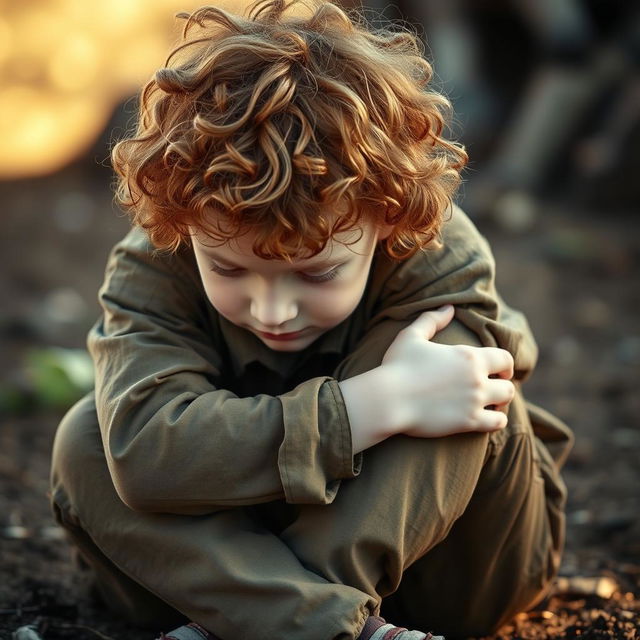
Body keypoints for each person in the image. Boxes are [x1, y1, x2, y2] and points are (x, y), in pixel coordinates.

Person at [49, 1, 573, 639]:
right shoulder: (155, 262)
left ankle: (282, 623)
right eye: (231, 270)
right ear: (184, 224)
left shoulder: (434, 252)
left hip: (449, 579)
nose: (272, 311)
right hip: (216, 576)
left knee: (462, 377)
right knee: (93, 436)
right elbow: (147, 455)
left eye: (317, 272)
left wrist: (279, 617)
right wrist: (363, 409)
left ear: (387, 218)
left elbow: (465, 392)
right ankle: (319, 625)